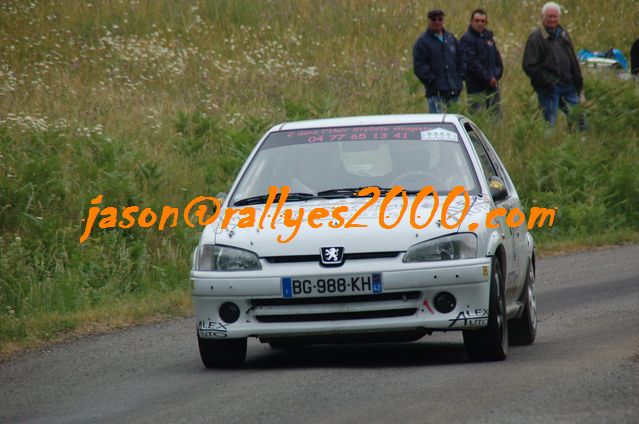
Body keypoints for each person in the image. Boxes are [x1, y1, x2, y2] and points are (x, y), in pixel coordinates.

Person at [523, 2, 586, 130]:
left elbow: (573, 59)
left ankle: (580, 145)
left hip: (568, 84)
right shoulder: (536, 37)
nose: (552, 20)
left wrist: (578, 81)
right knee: (549, 122)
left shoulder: (563, 34)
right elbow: (529, 65)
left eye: (555, 17)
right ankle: (547, 147)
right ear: (542, 17)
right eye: (549, 17)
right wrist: (547, 81)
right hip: (549, 88)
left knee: (578, 118)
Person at [413, 9, 465, 113]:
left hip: (454, 90)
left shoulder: (450, 39)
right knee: (438, 123)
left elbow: (462, 59)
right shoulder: (422, 42)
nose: (437, 22)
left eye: (440, 19)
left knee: (454, 122)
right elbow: (419, 65)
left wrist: (459, 78)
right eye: (434, 19)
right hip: (435, 93)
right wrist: (433, 81)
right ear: (429, 21)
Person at [460, 8, 504, 116]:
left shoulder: (488, 37)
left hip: (492, 86)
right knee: (477, 118)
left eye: (482, 21)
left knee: (495, 116)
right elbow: (472, 63)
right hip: (476, 86)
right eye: (477, 20)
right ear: (471, 21)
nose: (479, 23)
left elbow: (497, 59)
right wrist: (488, 78)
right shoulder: (467, 39)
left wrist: (496, 76)